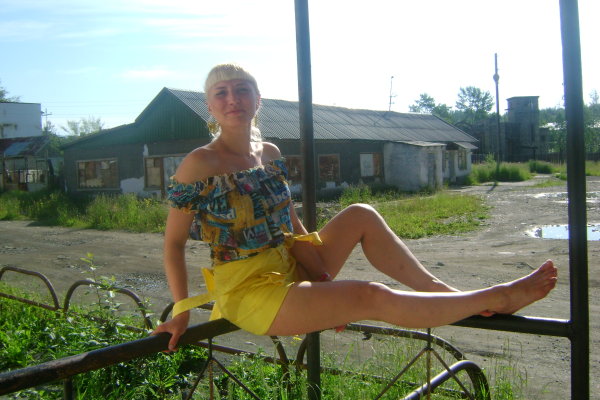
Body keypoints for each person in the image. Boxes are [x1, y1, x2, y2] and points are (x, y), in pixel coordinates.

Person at [152, 63, 558, 352]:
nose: (233, 99)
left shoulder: (270, 153)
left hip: (291, 264)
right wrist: (182, 312)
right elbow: (173, 244)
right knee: (368, 294)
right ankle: (495, 298)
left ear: (257, 100)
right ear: (209, 107)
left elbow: (290, 222)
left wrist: (323, 284)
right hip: (249, 289)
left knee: (361, 213)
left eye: (241, 90)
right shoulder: (200, 163)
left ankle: (441, 292)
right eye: (221, 93)